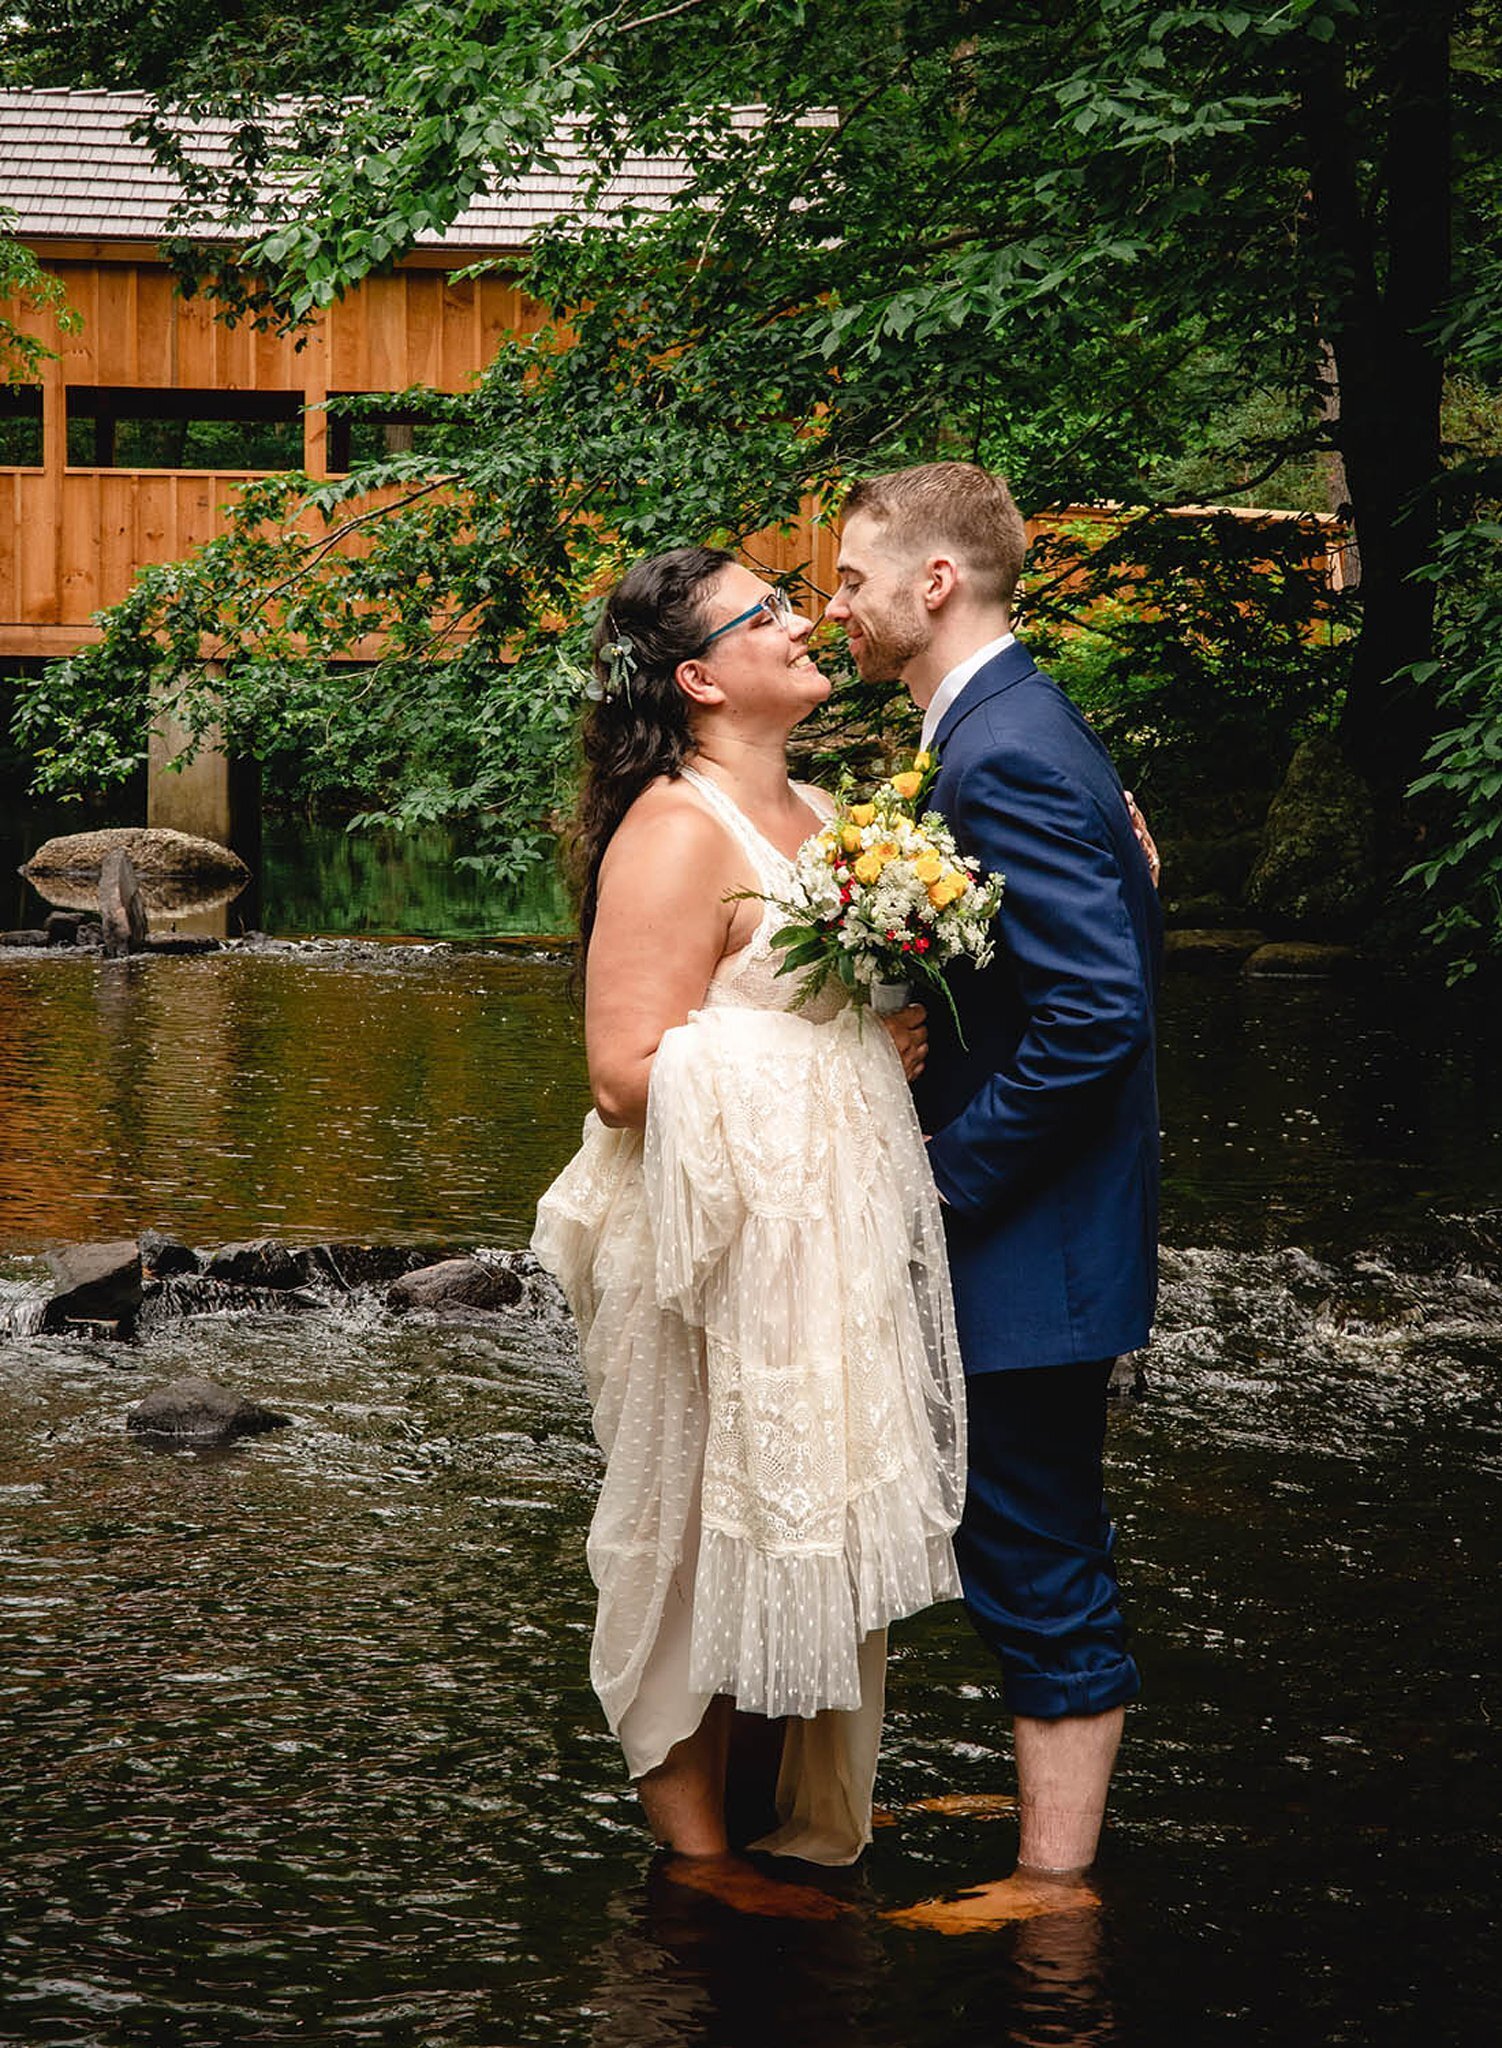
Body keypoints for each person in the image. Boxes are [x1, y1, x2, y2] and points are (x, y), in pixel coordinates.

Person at [532, 545, 967, 1886]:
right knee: (690, 1540)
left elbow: (815, 1017)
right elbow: (620, 1076)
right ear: (701, 677)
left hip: (818, 1248)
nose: (800, 618)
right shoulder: (673, 829)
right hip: (712, 1256)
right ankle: (702, 1871)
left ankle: (793, 1831)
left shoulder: (832, 812)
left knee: (801, 1531)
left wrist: (881, 1033)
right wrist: (823, 1055)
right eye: (766, 609)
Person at [824, 462, 1163, 1925]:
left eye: (848, 577)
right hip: (1045, 1231)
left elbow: (1097, 1012)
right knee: (1013, 1526)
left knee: (1032, 1539)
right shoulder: (999, 731)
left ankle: (1051, 1884)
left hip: (1027, 1238)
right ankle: (1046, 1782)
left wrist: (937, 1185)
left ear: (932, 584)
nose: (832, 602)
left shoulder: (1002, 752)